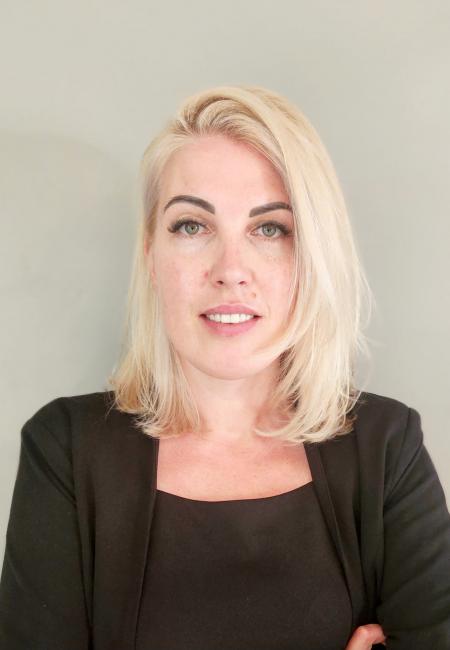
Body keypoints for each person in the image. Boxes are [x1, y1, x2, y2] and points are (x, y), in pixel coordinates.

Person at [0, 84, 449, 650]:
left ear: (312, 256)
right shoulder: (65, 449)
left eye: (270, 229)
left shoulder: (386, 447)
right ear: (151, 254)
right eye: (192, 226)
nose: (230, 269)